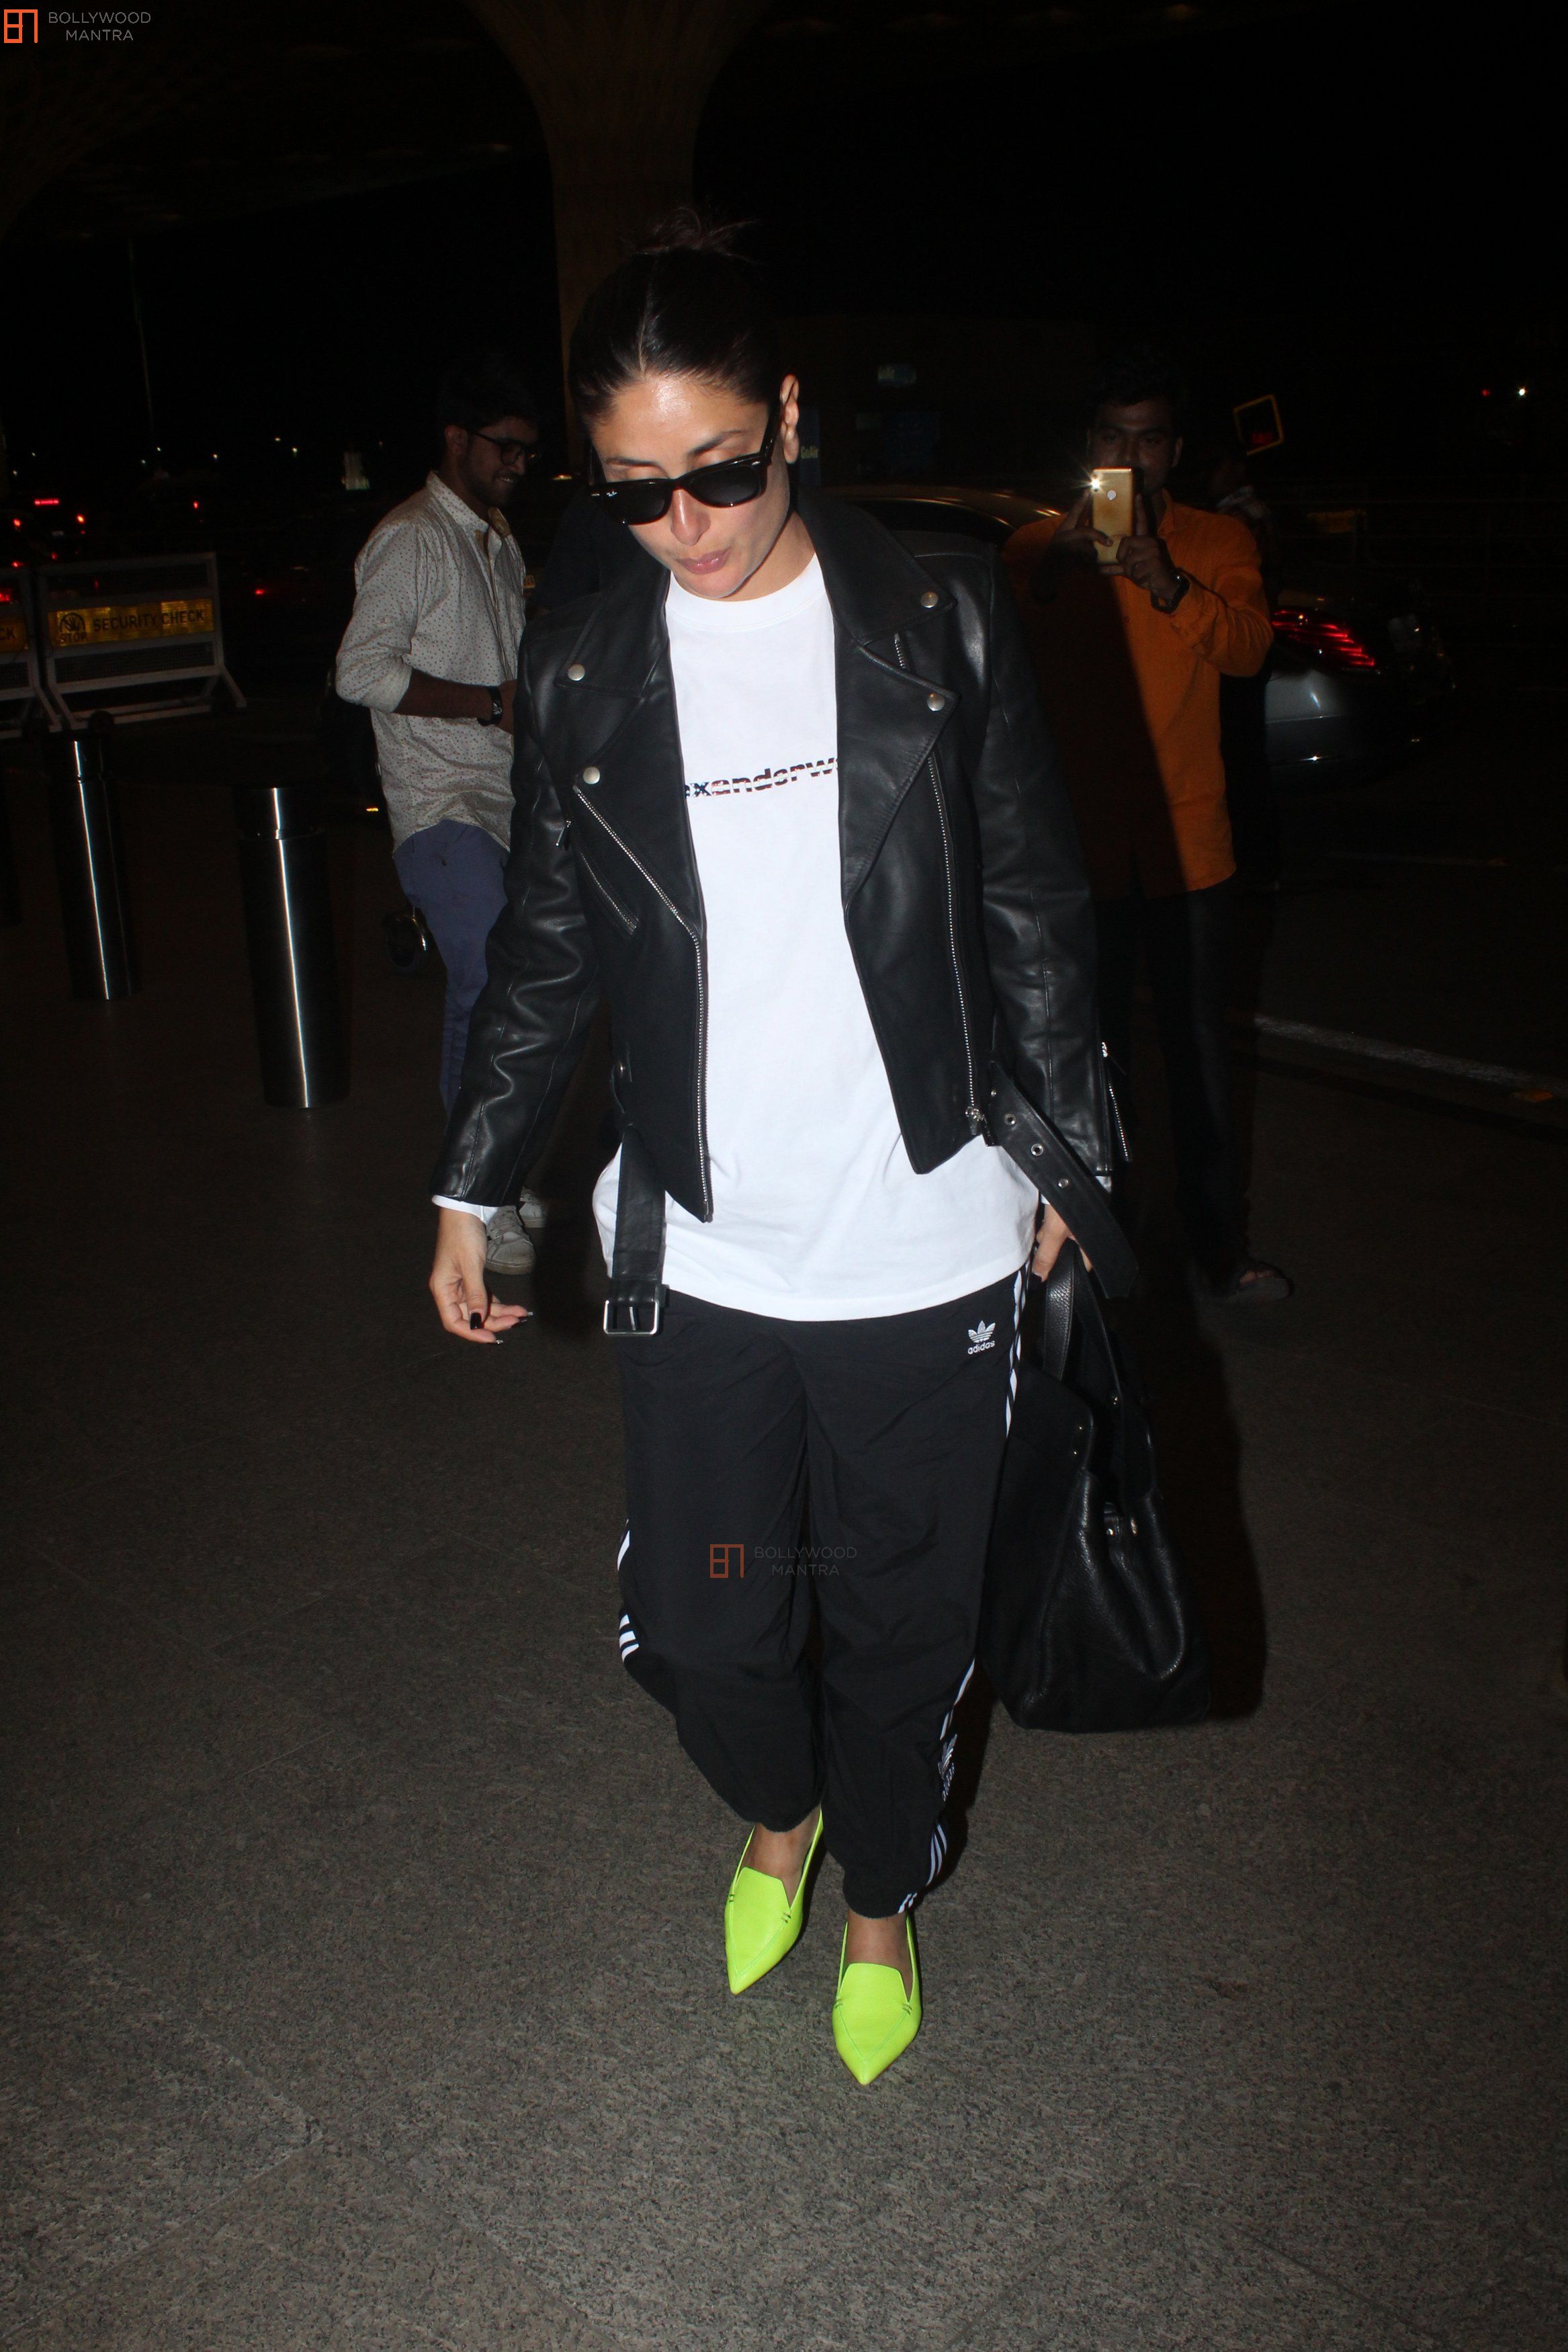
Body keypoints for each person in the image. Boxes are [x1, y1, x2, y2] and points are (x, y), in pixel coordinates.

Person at [425, 217, 1110, 2083]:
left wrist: (1066, 1150)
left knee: (901, 1612)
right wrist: (475, 1179)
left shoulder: (936, 609)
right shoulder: (588, 662)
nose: (689, 523)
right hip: (705, 1248)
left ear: (789, 416)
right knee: (713, 1622)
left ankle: (878, 1891)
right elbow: (549, 945)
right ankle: (778, 1804)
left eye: (720, 469)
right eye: (634, 491)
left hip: (925, 1229)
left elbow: (1034, 896)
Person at [1003, 347, 1291, 1302]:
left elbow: (1249, 650)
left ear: (1174, 450)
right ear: (1088, 445)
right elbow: (995, 661)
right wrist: (1057, 565)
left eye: (1149, 439)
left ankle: (1218, 1249)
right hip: (1077, 850)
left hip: (1186, 849)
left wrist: (1169, 585)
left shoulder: (1215, 541)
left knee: (1198, 1056)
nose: (1130, 457)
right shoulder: (1036, 548)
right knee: (1085, 1056)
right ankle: (1093, 1244)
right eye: (1112, 438)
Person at [335, 349, 544, 1274]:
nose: (518, 464)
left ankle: (501, 1170)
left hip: (505, 798)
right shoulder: (411, 537)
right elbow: (359, 672)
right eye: (506, 447)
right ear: (457, 439)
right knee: (488, 981)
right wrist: (490, 704)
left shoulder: (496, 537)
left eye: (529, 451)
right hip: (438, 803)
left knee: (522, 990)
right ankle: (478, 1190)